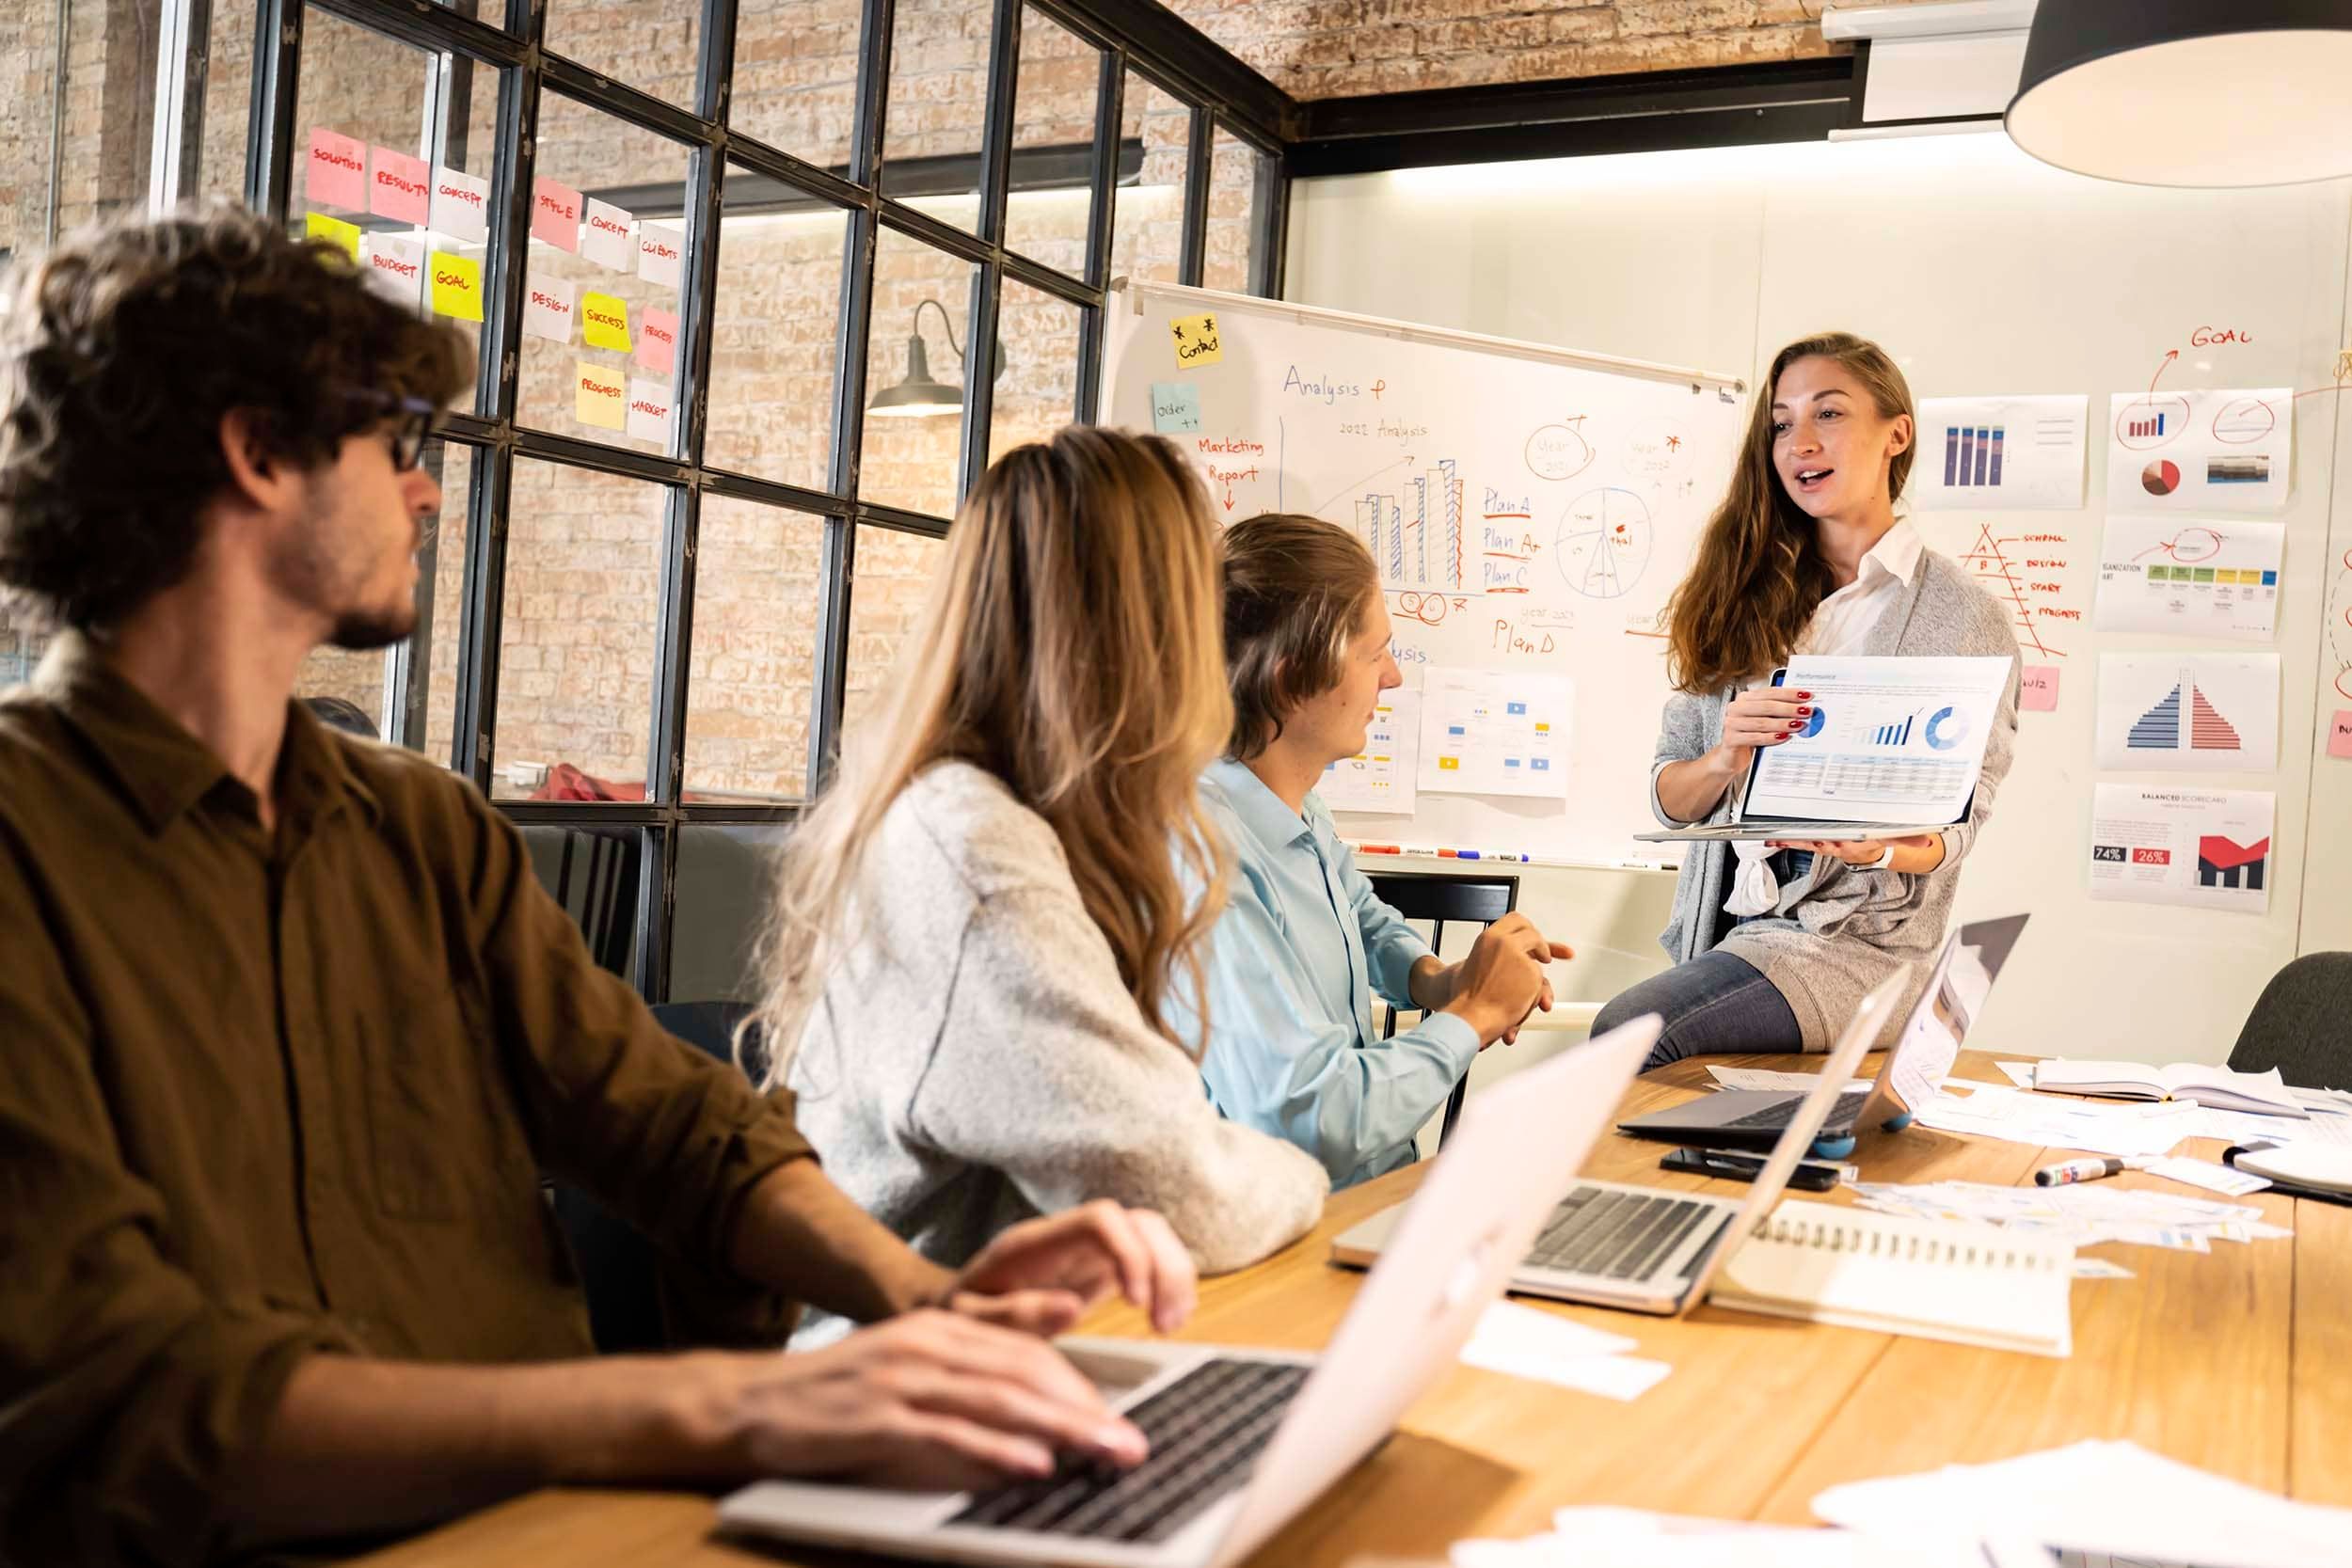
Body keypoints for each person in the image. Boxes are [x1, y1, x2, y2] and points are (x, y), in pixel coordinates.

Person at [0, 207, 1194, 1568]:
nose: (427, 491)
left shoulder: (418, 829)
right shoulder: (23, 844)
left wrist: (928, 1302)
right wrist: (737, 1403)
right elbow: (135, 1399)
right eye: (396, 443)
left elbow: (683, 1130)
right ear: (258, 453)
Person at [752, 428, 1329, 1346]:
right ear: (1146, 628)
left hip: (1010, 1361)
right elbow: (1183, 1191)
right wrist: (1303, 1173)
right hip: (906, 1398)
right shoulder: (972, 854)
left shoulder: (997, 820)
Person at [1590, 332, 2018, 1066]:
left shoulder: (1964, 615)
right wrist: (1725, 756)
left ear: (1897, 433)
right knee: (1648, 1050)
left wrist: (1875, 845)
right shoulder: (1742, 594)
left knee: (1632, 1032)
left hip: (1860, 949)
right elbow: (1670, 795)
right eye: (1782, 423)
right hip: (1731, 934)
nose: (1800, 442)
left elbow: (1957, 826)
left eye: (1829, 414)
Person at [1170, 512, 1575, 1188]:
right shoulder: (1205, 855)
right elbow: (1312, 1117)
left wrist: (1440, 980)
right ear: (1293, 677)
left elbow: (1359, 914)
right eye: (1374, 653)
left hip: (1376, 1193)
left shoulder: (1299, 807)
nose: (1392, 677)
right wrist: (1474, 1015)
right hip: (1293, 1241)